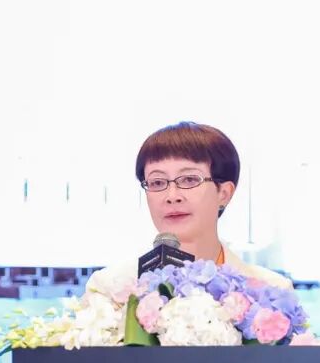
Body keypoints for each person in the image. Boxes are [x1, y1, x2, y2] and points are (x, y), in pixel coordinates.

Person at [85, 122, 293, 295]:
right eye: (157, 182)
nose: (172, 196)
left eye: (189, 179)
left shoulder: (270, 291)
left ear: (224, 193)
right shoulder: (110, 289)